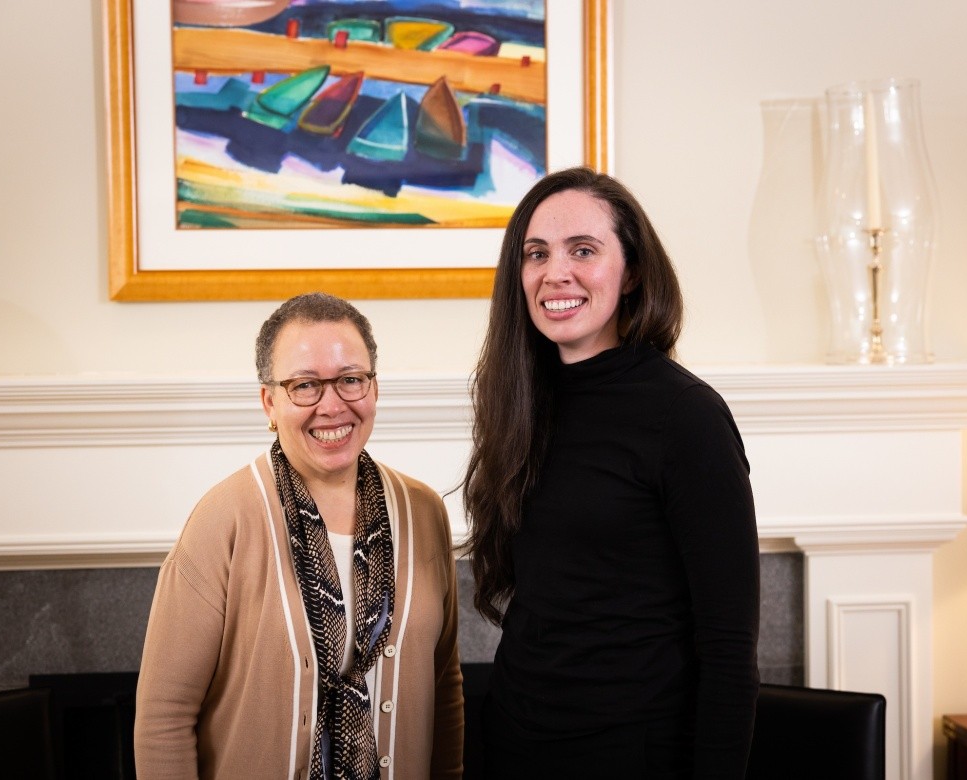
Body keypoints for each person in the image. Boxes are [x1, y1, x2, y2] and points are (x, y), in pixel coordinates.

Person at [463, 167, 760, 778]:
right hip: (517, 744)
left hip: (635, 754)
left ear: (633, 275)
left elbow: (729, 648)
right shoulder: (518, 403)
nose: (556, 273)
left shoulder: (686, 416)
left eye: (584, 251)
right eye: (536, 254)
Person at [134, 292, 464, 780]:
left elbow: (445, 688)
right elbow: (163, 718)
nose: (332, 406)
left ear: (374, 387)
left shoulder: (424, 513)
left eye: (351, 380)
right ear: (269, 400)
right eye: (305, 386)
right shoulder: (222, 520)